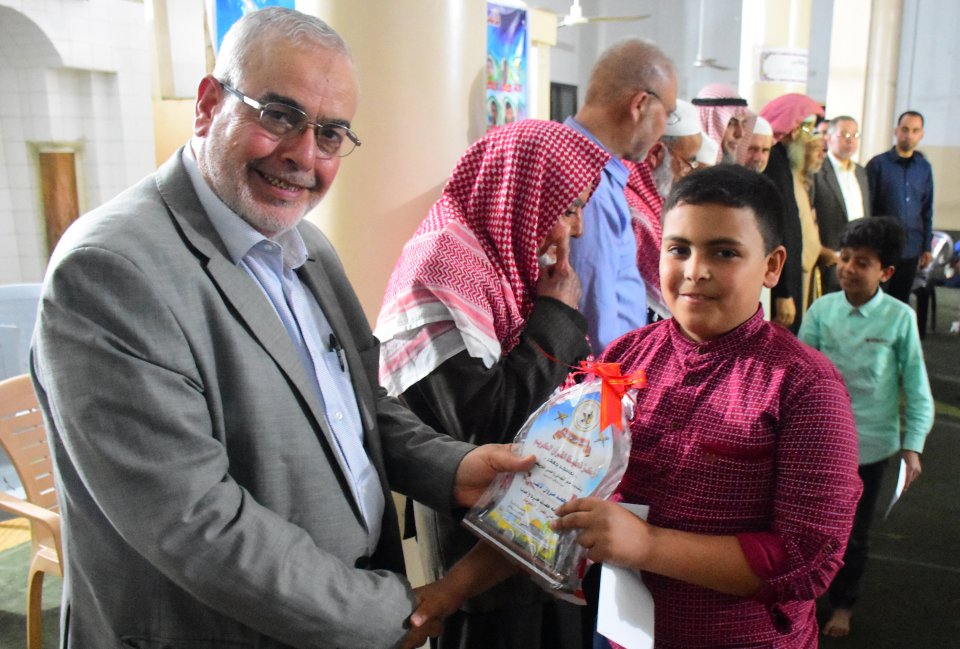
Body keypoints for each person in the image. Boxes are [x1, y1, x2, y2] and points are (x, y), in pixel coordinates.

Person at [30, 8, 531, 648]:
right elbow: (196, 524)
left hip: (326, 612)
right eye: (278, 115)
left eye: (331, 133)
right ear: (208, 106)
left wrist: (454, 468)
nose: (303, 154)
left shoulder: (305, 246)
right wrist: (385, 615)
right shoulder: (112, 270)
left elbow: (359, 405)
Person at [553, 164, 861, 648]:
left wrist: (648, 545)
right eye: (679, 249)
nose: (695, 271)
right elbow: (569, 476)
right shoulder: (625, 357)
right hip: (622, 634)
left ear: (772, 266)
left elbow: (808, 559)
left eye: (724, 252)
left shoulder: (806, 387)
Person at [375, 119, 610, 649]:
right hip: (477, 559)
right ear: (521, 196)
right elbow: (488, 427)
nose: (577, 230)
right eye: (568, 208)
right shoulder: (442, 271)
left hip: (539, 540)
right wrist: (556, 315)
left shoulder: (503, 266)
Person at [798, 216, 934, 638]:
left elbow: (917, 387)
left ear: (886, 273)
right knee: (808, 526)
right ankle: (803, 597)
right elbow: (798, 375)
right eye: (845, 258)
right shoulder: (822, 310)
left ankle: (843, 603)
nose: (848, 268)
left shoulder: (899, 318)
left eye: (862, 262)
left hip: (871, 448)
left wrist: (913, 446)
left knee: (853, 534)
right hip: (820, 443)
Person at [564, 38, 678, 354]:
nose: (664, 129)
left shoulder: (594, 168)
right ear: (640, 104)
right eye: (667, 114)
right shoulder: (591, 187)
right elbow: (594, 313)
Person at [760, 92, 824, 332]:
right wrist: (784, 292)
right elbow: (781, 227)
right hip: (780, 283)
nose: (807, 137)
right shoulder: (774, 162)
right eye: (806, 129)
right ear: (791, 129)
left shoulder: (784, 160)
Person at [867, 110, 935, 303]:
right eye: (905, 129)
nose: (909, 135)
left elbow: (927, 209)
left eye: (915, 130)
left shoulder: (924, 168)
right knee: (875, 300)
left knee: (901, 301)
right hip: (882, 247)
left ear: (921, 134)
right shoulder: (878, 165)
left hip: (912, 247)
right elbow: (868, 207)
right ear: (896, 131)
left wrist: (926, 247)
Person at [814, 115, 871, 294]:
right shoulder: (817, 171)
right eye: (844, 134)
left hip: (859, 258)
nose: (850, 140)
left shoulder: (861, 172)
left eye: (855, 135)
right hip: (829, 259)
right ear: (828, 137)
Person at [692, 82, 748, 164]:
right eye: (731, 123)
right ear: (707, 123)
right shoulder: (685, 168)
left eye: (744, 123)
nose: (740, 134)